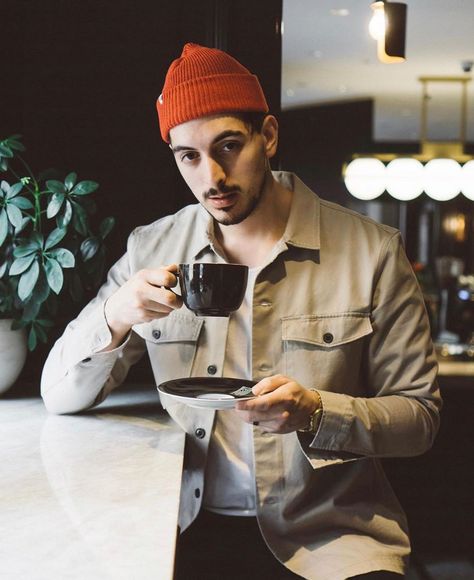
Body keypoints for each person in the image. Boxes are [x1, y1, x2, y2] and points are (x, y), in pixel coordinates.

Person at [41, 43, 441, 580]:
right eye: (189, 156)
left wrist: (318, 412)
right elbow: (58, 394)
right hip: (181, 531)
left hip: (332, 539)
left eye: (228, 146)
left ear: (268, 136)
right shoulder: (151, 248)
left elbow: (420, 419)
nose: (212, 177)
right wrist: (115, 314)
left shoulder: (373, 252)